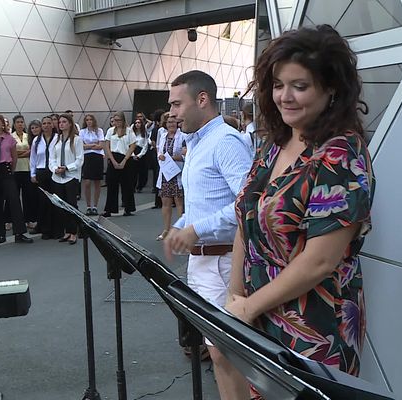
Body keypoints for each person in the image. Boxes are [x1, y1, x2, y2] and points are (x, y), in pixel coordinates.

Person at [218, 25, 376, 399]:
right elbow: (246, 221)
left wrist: (247, 308)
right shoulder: (274, 144)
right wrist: (235, 298)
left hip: (314, 325)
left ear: (331, 88)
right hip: (256, 309)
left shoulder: (341, 155)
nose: (284, 97)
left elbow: (319, 262)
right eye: (277, 84)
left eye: (299, 86)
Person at [163, 70, 252, 400]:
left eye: (176, 104)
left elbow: (248, 206)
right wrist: (181, 225)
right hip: (203, 262)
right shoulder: (197, 144)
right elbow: (202, 205)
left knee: (227, 354)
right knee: (218, 353)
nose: (171, 113)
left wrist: (195, 229)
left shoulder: (226, 143)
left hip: (224, 261)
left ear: (202, 99)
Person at [0, 113, 33, 244]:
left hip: (7, 169)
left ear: (3, 124)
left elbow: (14, 156)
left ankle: (19, 233)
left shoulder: (9, 138)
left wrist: (11, 169)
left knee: (14, 201)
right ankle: (0, 234)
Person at [49, 113, 84, 244]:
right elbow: (51, 158)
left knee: (71, 204)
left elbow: (80, 159)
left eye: (64, 122)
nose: (61, 124)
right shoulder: (56, 139)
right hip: (58, 177)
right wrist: (54, 168)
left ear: (70, 124)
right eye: (60, 122)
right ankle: (67, 231)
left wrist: (67, 168)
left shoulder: (77, 139)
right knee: (61, 206)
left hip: (71, 176)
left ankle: (74, 231)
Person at [155, 114, 186, 241]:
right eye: (168, 123)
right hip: (165, 173)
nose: (171, 125)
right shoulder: (162, 136)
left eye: (173, 122)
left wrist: (172, 158)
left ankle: (180, 231)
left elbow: (185, 155)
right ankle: (166, 230)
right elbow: (159, 150)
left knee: (179, 202)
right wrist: (161, 156)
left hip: (177, 172)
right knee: (166, 202)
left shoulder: (182, 136)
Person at [102, 111, 137, 217]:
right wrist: (112, 160)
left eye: (118, 120)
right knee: (111, 184)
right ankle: (109, 209)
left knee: (127, 184)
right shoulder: (110, 131)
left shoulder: (129, 131)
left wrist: (124, 161)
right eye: (114, 120)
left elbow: (132, 146)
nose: (116, 123)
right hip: (114, 157)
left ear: (123, 120)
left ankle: (128, 208)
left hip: (126, 158)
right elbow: (107, 146)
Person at [30, 117, 59, 239]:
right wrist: (33, 173)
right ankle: (45, 229)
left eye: (48, 123)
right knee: (43, 201)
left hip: (54, 171)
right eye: (44, 123)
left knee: (55, 200)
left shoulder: (58, 138)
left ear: (53, 125)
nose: (46, 125)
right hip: (41, 171)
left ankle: (56, 229)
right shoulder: (37, 140)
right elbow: (33, 158)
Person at [79, 114, 104, 216]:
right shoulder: (82, 132)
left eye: (91, 120)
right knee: (87, 182)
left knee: (97, 182)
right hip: (87, 157)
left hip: (97, 157)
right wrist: (92, 145)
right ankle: (88, 205)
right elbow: (81, 146)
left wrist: (89, 146)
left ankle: (95, 206)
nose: (89, 121)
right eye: (87, 120)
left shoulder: (99, 131)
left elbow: (101, 146)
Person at [132, 118, 149, 192]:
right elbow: (129, 144)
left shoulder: (144, 133)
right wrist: (133, 155)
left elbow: (145, 144)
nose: (137, 124)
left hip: (141, 152)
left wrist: (140, 155)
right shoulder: (132, 134)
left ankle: (140, 187)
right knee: (133, 172)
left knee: (142, 171)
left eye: (139, 123)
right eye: (136, 123)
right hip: (133, 151)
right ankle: (132, 186)